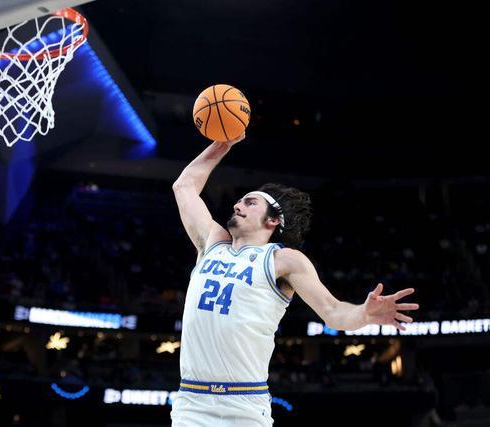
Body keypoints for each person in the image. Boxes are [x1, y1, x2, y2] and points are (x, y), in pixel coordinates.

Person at [170, 134, 419, 426]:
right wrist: (221, 145)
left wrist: (363, 314)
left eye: (249, 202)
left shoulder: (283, 260)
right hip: (192, 403)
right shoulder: (212, 243)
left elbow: (333, 311)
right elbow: (184, 186)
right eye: (239, 201)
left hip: (243, 405)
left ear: (273, 220)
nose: (237, 205)